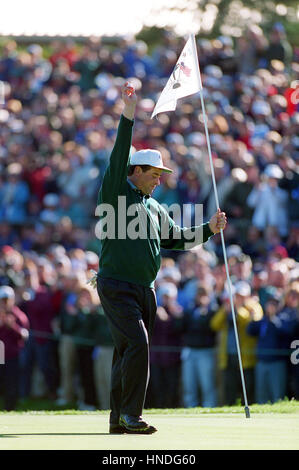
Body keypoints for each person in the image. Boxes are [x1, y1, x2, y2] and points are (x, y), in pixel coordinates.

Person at [95, 82, 227, 434]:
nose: (159, 181)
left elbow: (179, 241)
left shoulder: (155, 207)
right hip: (116, 285)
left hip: (145, 289)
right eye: (154, 175)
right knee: (137, 345)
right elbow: (119, 153)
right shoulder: (115, 191)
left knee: (126, 352)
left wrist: (210, 229)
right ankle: (132, 415)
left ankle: (117, 420)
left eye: (161, 176)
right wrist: (129, 113)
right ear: (135, 171)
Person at [0, 286, 29, 410]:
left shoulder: (18, 315)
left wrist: (12, 326)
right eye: (3, 300)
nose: (5, 303)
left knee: (11, 384)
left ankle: (10, 409)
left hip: (12, 356)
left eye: (7, 300)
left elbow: (24, 336)